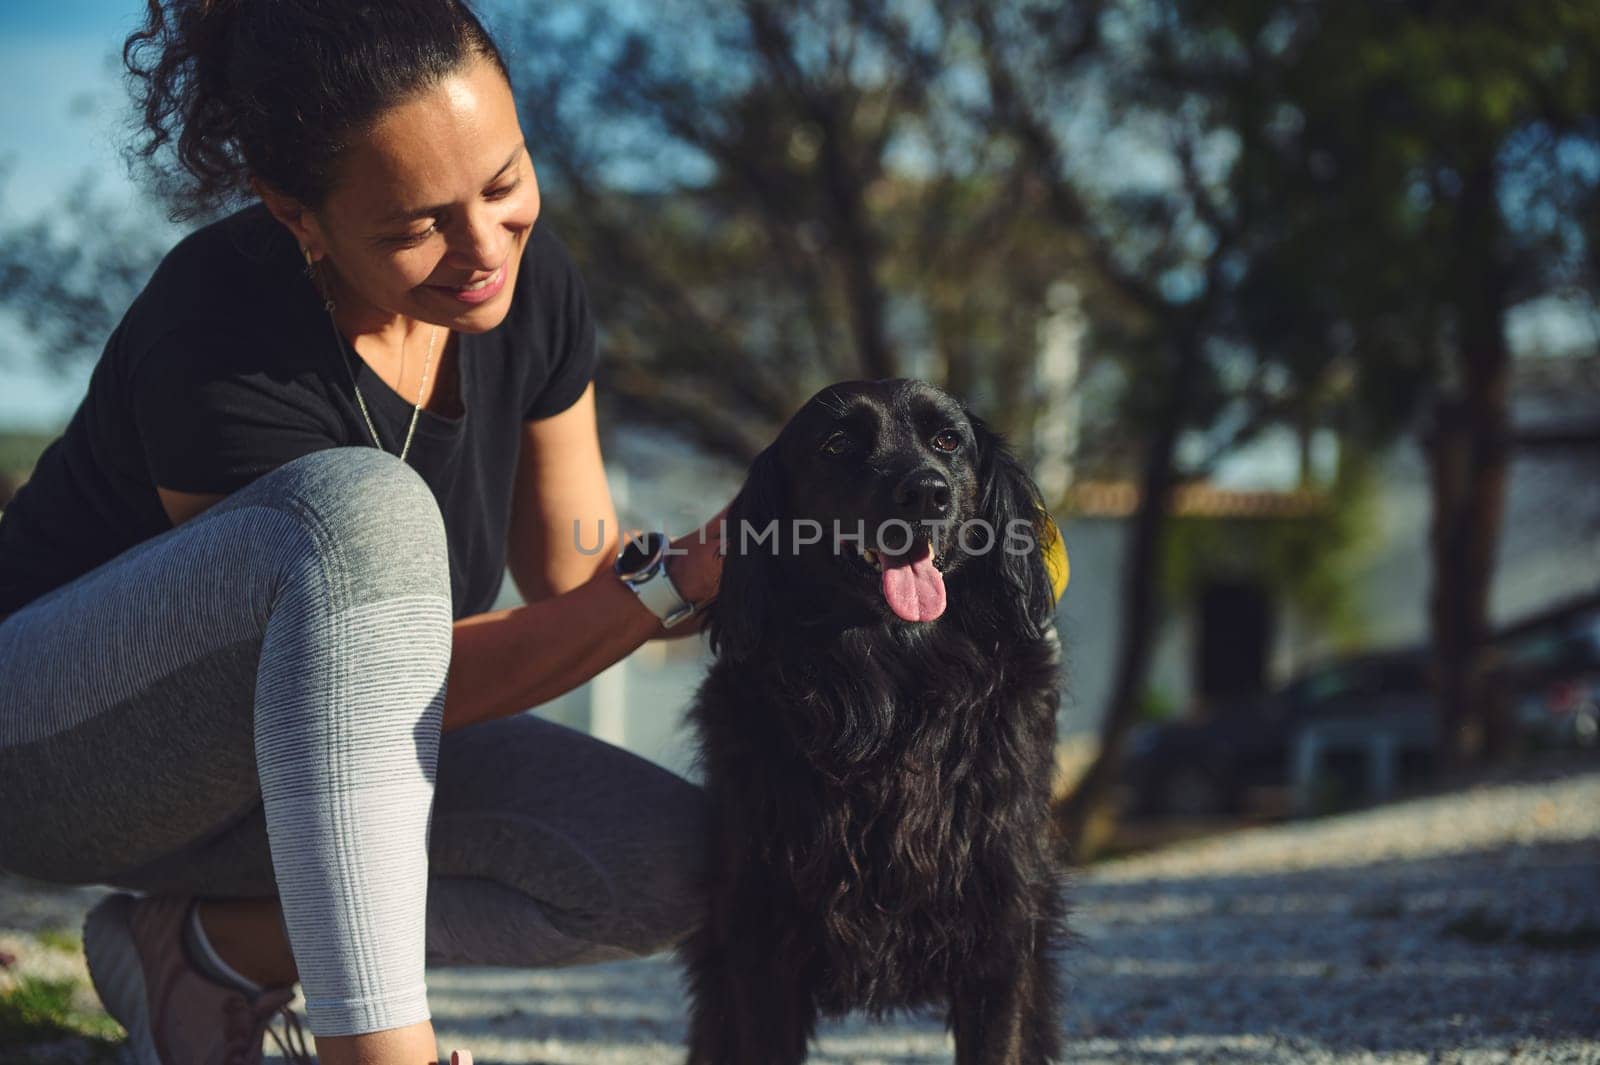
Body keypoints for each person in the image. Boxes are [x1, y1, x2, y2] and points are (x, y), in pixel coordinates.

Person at [0, 2, 729, 1063]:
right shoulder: (218, 326)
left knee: (683, 864)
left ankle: (203, 954)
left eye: (504, 181)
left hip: (283, 785)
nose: (482, 247)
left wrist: (744, 565)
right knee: (364, 511)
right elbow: (367, 676)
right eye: (413, 225)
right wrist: (657, 593)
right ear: (297, 216)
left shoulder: (529, 291)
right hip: (55, 755)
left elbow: (581, 565)